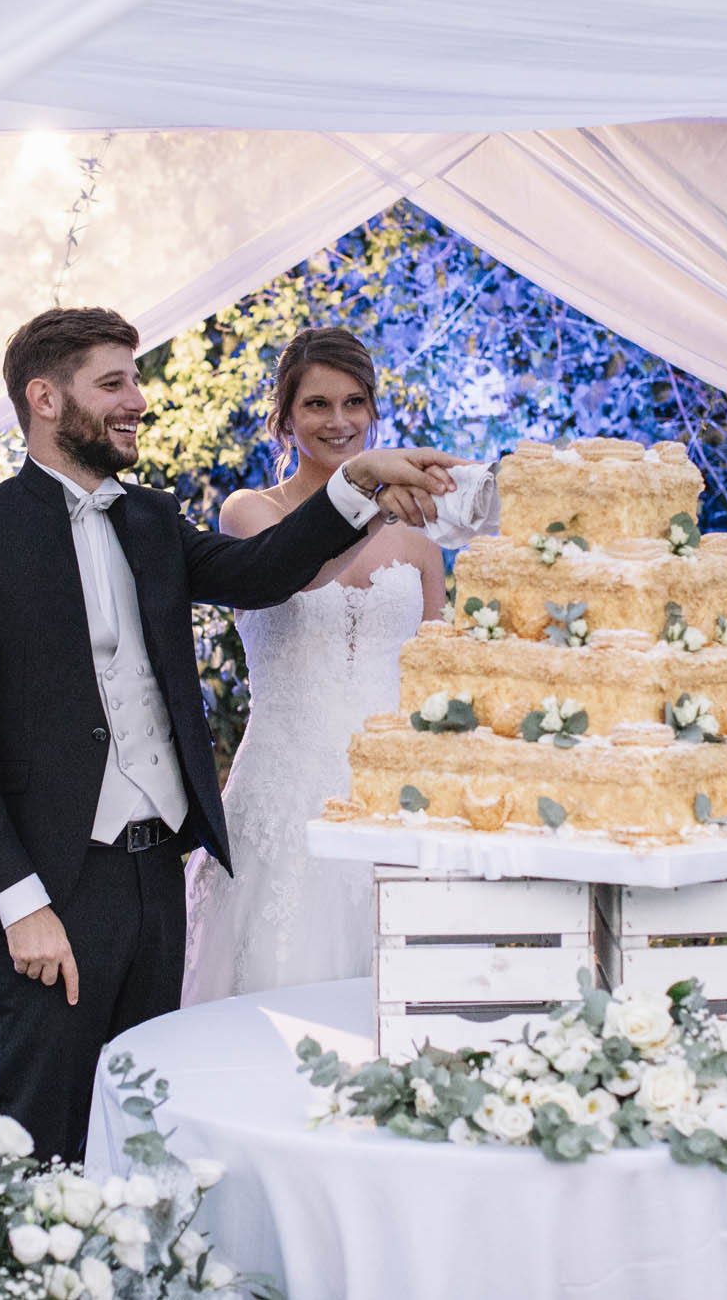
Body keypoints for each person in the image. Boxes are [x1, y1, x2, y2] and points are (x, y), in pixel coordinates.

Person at [0, 307, 464, 1163]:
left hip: (157, 877)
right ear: (46, 398)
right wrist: (20, 904)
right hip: (52, 892)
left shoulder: (151, 520)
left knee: (146, 1131)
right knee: (46, 1143)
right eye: (114, 382)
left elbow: (263, 571)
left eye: (136, 379)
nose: (138, 399)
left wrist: (355, 484)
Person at [182, 328, 446, 1004]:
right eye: (317, 404)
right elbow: (294, 574)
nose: (339, 421)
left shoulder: (420, 540)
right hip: (284, 787)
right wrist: (367, 498)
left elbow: (435, 676)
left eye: (354, 402)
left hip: (393, 793)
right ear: (284, 418)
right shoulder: (251, 513)